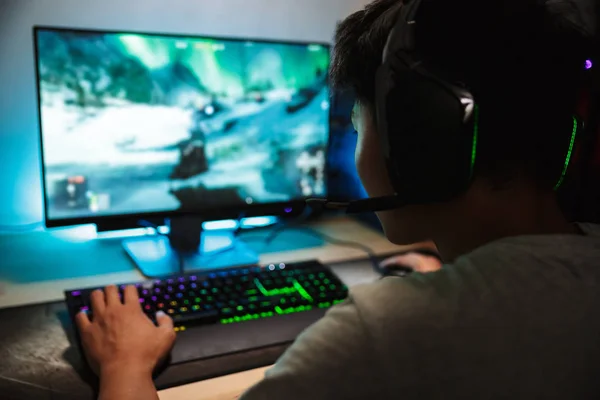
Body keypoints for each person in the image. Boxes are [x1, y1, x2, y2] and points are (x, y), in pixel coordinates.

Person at [76, 0, 600, 398]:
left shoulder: (383, 335)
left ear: (419, 138)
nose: (353, 149)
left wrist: (125, 365)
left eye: (357, 124)